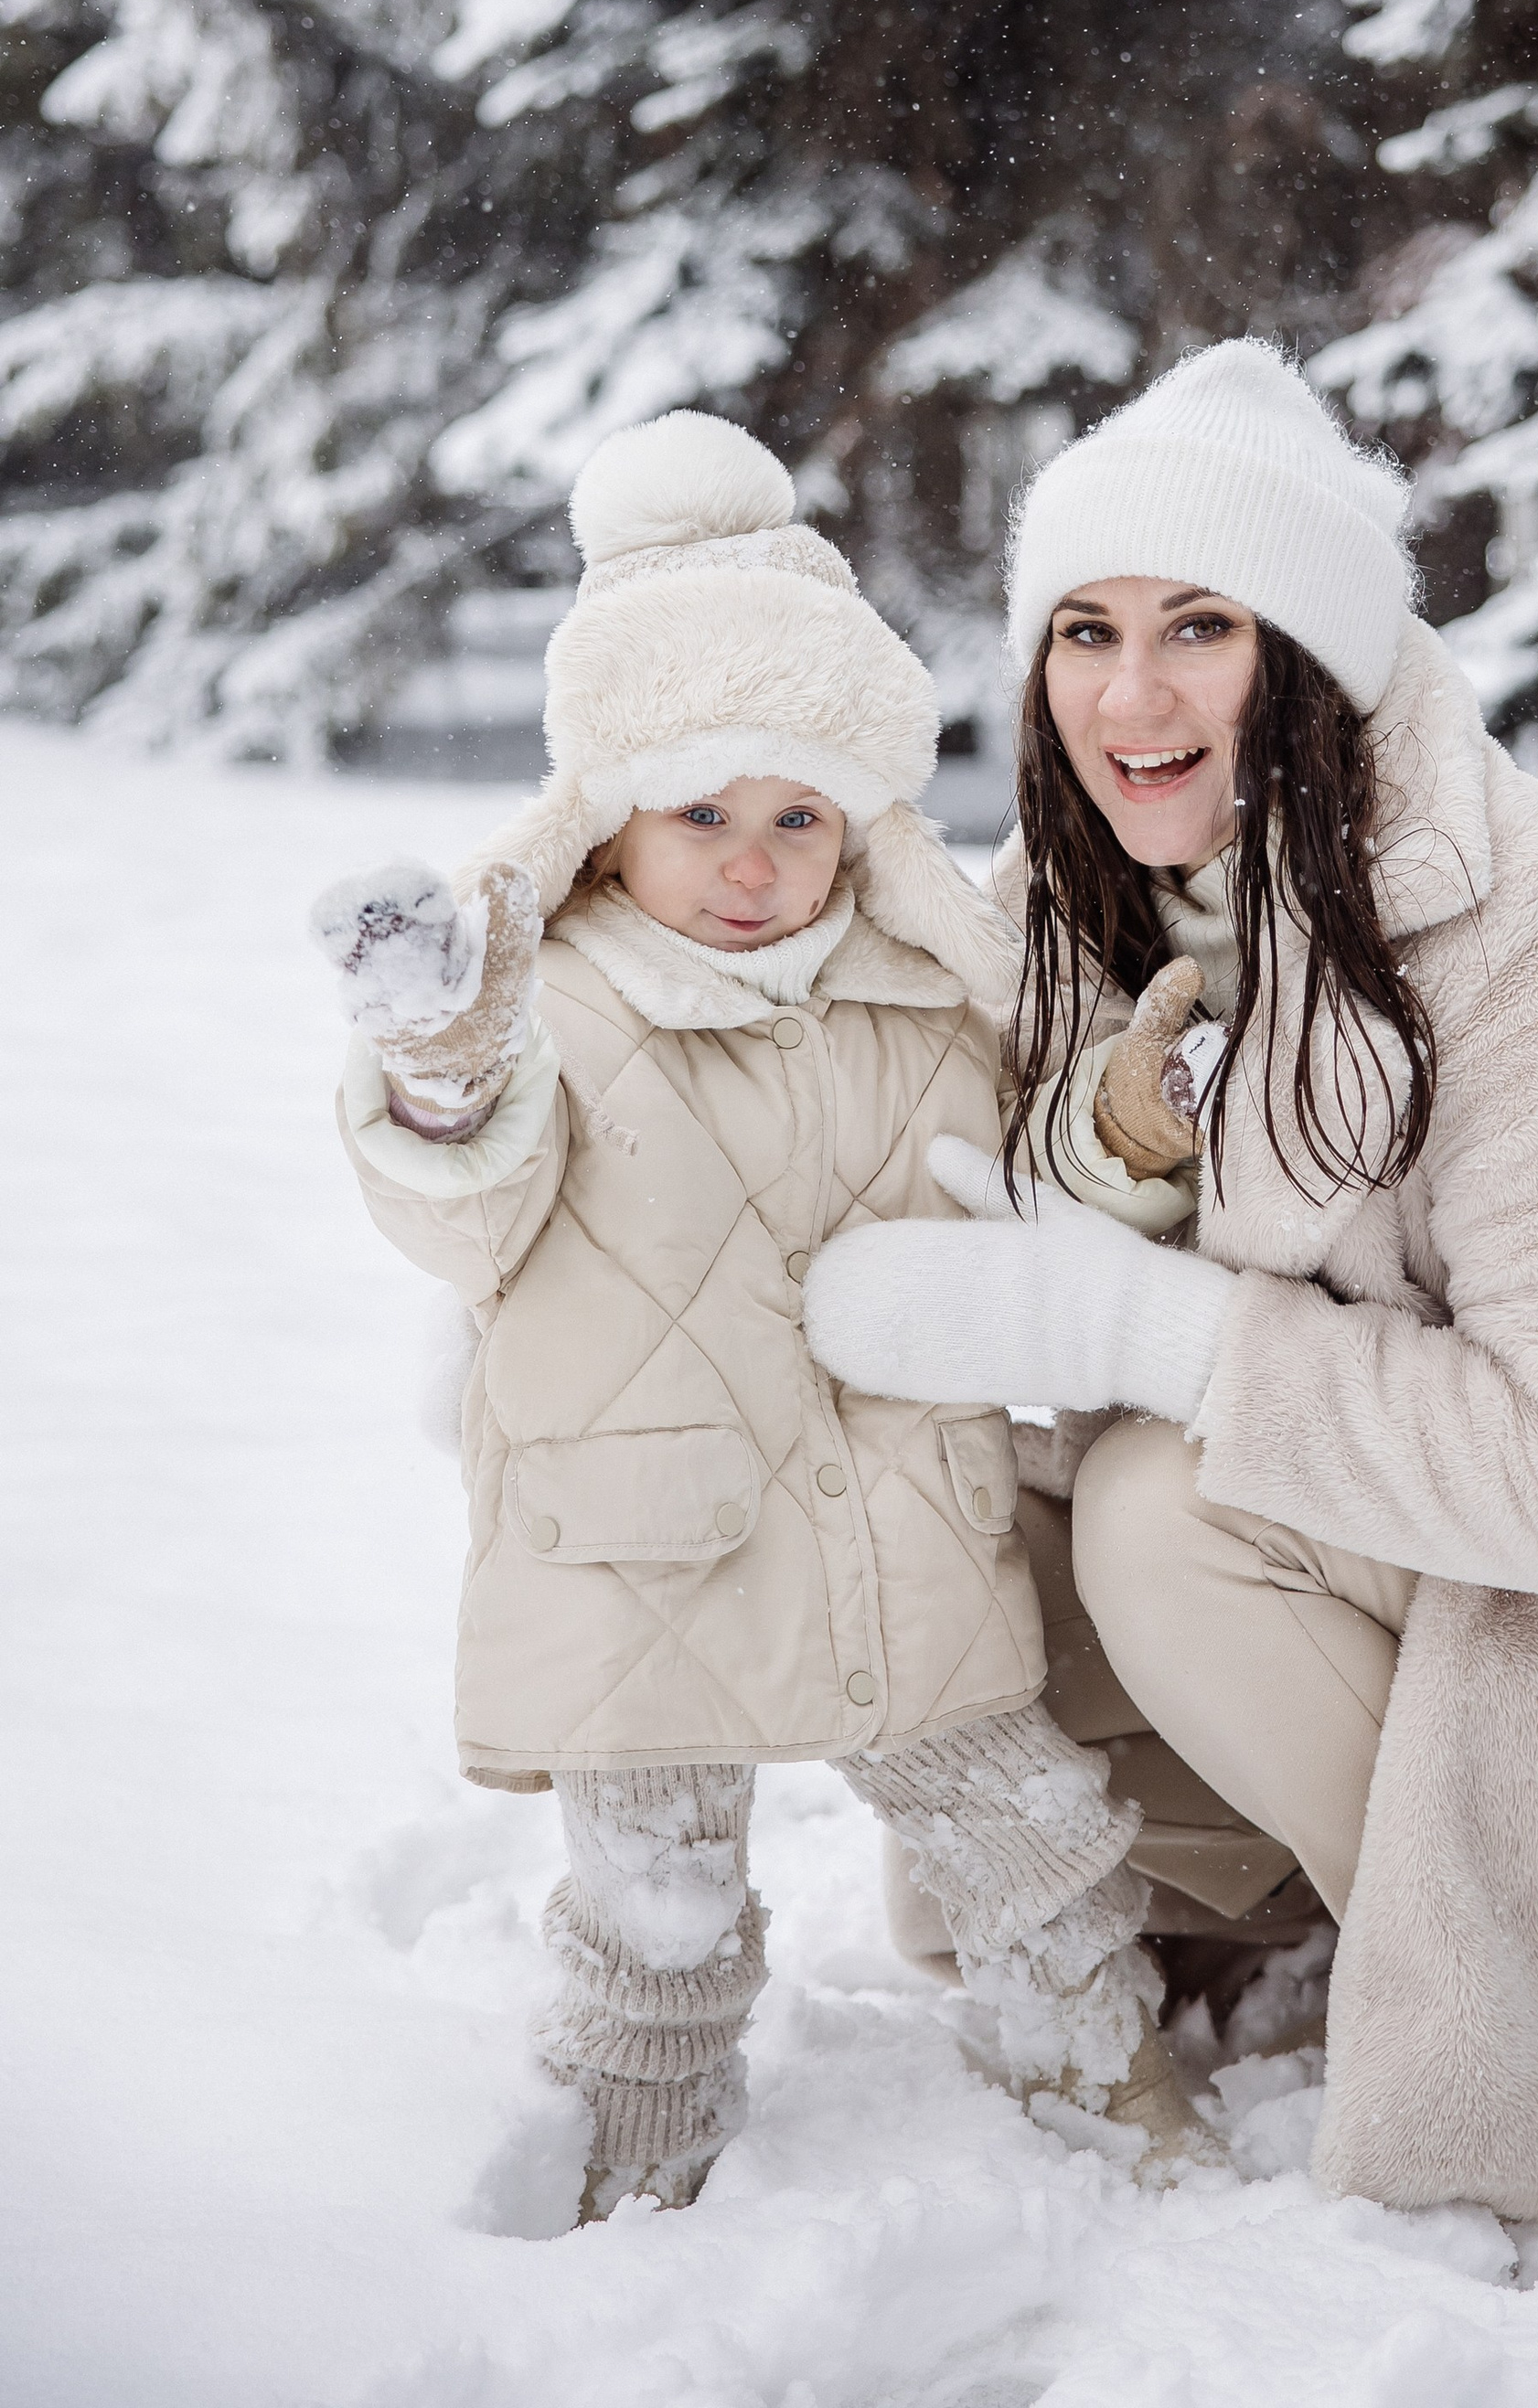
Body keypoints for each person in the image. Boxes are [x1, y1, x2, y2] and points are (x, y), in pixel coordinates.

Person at [804, 341, 1538, 2237]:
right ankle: (1203, 1907)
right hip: (1426, 1589)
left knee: (1161, 1503)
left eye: (1200, 625)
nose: (1131, 695)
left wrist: (1130, 1328)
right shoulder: (1064, 900)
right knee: (919, 1487)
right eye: (1083, 632)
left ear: (1317, 659)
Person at [310, 410, 1209, 2221]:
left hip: (893, 1524)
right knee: (658, 1891)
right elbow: (458, 1206)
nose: (748, 858)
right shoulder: (544, 1001)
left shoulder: (920, 992)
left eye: (797, 815)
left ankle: (1092, 2054)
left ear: (859, 825)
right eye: (701, 810)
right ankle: (640, 2138)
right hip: (637, 1531)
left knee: (1023, 1830)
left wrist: (1115, 1131)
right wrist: (435, 1074)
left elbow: (1026, 1183)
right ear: (610, 812)